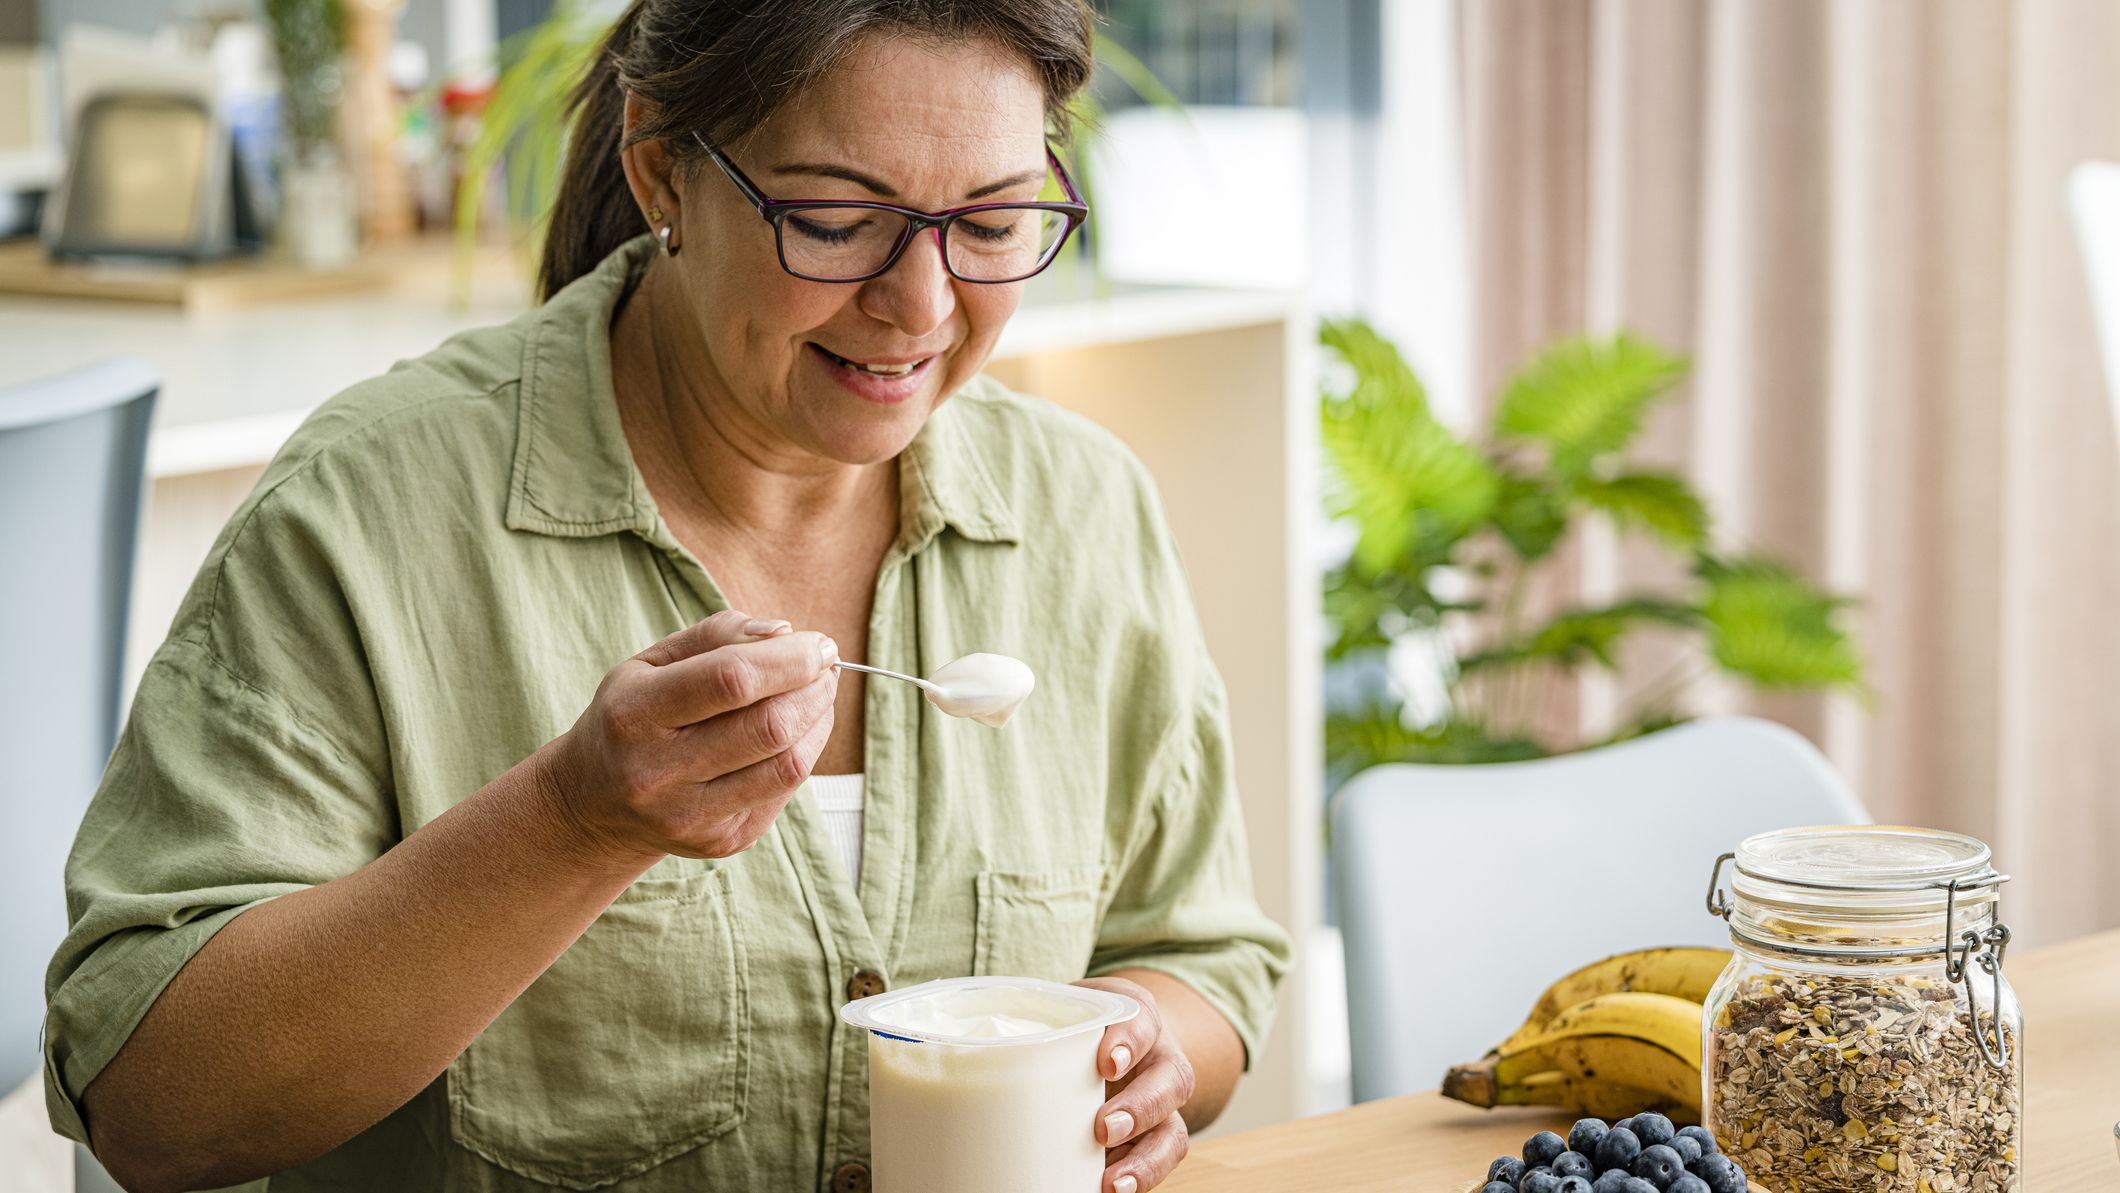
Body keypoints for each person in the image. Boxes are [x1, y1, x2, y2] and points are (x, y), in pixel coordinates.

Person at [43, 3, 1291, 1190]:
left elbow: (1201, 954)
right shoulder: (372, 510)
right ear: (660, 174)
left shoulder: (1082, 506)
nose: (920, 306)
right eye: (834, 218)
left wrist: (1137, 1045)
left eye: (994, 219)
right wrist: (567, 824)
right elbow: (152, 1107)